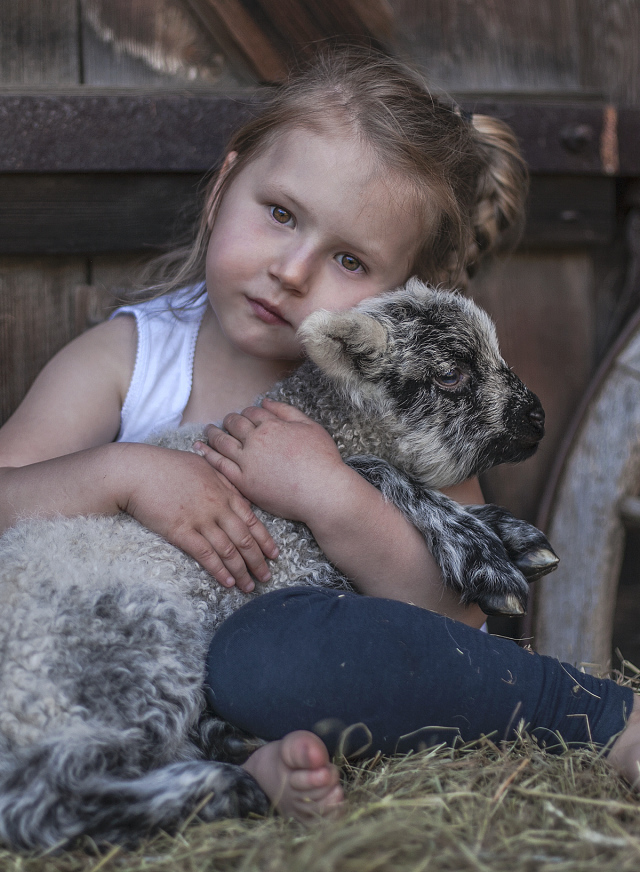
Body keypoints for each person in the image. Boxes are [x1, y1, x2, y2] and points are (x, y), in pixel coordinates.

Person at [0, 47, 637, 823]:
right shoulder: (130, 361)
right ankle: (231, 774)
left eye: (349, 259)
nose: (293, 272)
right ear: (224, 187)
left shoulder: (398, 402)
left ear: (405, 296)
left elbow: (463, 621)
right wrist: (123, 475)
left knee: (273, 657)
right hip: (126, 667)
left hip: (286, 678)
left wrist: (328, 493)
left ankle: (598, 719)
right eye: (280, 214)